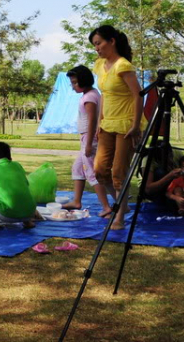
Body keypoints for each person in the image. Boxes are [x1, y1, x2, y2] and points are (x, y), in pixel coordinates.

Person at [90, 25, 146, 230]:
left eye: (99, 43)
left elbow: (138, 95)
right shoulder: (100, 65)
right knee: (99, 171)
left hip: (126, 124)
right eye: (94, 45)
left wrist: (136, 125)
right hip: (107, 124)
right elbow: (104, 95)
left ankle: (120, 215)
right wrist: (99, 122)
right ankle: (123, 204)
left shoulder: (123, 66)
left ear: (111, 41)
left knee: (118, 172)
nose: (97, 48)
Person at [62, 65, 112, 216]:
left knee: (92, 172)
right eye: (72, 83)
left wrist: (89, 144)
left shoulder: (89, 97)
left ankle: (106, 207)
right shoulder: (92, 94)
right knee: (77, 168)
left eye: (75, 83)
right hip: (86, 138)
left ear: (83, 80)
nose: (73, 87)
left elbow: (92, 122)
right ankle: (77, 201)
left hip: (89, 138)